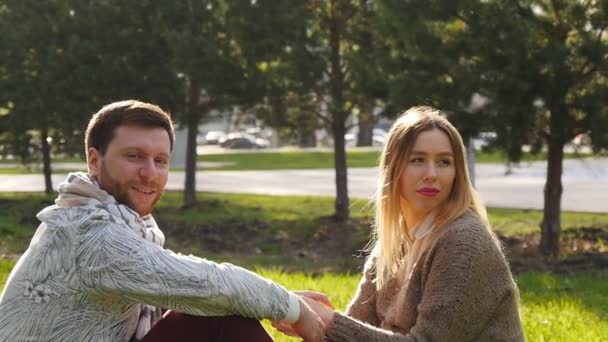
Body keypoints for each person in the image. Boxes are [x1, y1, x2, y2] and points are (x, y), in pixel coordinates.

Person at [0, 100, 326, 342]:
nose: (150, 173)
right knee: (219, 318)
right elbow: (205, 282)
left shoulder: (126, 225)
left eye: (160, 160)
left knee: (215, 310)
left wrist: (260, 299)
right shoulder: (88, 234)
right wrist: (292, 308)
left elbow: (191, 287)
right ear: (94, 161)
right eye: (134, 156)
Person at [276, 106, 524, 341]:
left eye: (444, 162)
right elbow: (355, 327)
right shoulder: (395, 241)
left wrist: (329, 322)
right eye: (417, 160)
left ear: (457, 173)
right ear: (393, 168)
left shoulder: (464, 242)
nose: (431, 174)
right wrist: (307, 318)